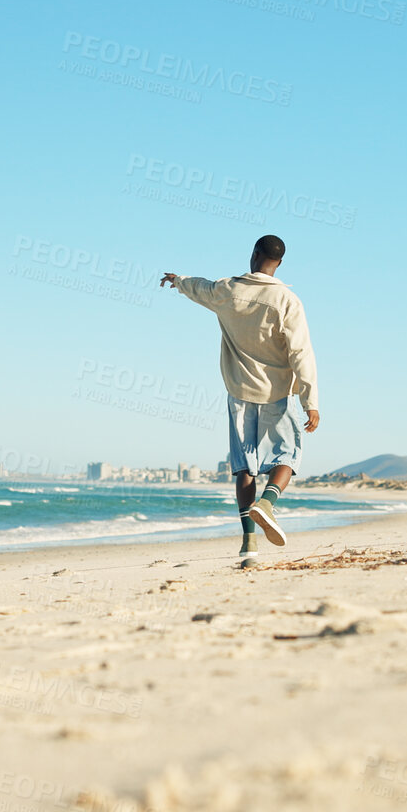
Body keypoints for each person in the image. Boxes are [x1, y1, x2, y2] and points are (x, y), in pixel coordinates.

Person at [162, 235, 321, 567]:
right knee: (288, 455)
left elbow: (199, 288)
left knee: (244, 467)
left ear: (254, 255)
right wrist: (311, 401)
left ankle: (248, 544)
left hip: (239, 394)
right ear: (279, 263)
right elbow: (301, 353)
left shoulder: (228, 290)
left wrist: (178, 281)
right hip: (277, 393)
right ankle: (267, 503)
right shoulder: (288, 301)